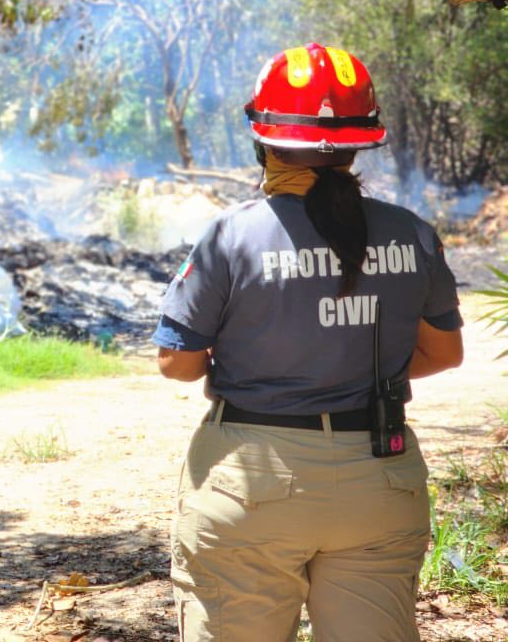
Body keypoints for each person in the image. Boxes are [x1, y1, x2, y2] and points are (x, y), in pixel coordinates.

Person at [153, 43, 464, 642]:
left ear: (263, 139)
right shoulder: (412, 234)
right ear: (360, 143)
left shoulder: (231, 236)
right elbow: (443, 354)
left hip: (251, 486)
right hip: (381, 480)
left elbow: (178, 364)